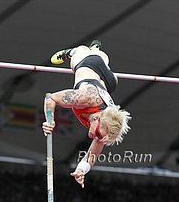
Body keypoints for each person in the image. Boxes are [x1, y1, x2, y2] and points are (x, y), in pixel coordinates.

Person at [42, 40, 131, 188]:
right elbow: (50, 98)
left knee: (103, 58)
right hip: (91, 65)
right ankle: (72, 52)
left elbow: (92, 155)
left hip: (108, 81)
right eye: (98, 133)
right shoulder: (85, 98)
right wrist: (50, 120)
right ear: (97, 116)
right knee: (80, 57)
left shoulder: (104, 129)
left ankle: (95, 49)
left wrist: (81, 170)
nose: (97, 138)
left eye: (99, 136)